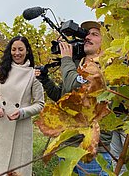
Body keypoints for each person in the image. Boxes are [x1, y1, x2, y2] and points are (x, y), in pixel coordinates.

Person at [35, 21, 112, 175]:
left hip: (91, 150)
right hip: (68, 144)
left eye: (94, 34)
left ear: (106, 43)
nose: (87, 37)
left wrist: (66, 59)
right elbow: (62, 96)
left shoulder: (105, 67)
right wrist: (45, 79)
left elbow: (73, 85)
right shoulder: (78, 64)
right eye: (87, 33)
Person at [0, 36, 45, 176]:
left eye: (20, 49)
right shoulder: (2, 70)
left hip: (20, 128)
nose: (17, 53)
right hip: (0, 124)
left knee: (17, 171)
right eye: (14, 49)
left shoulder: (34, 74)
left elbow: (40, 104)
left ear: (27, 51)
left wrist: (22, 112)